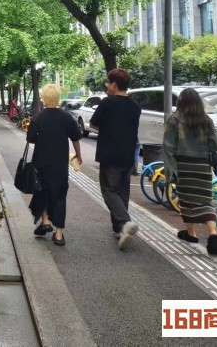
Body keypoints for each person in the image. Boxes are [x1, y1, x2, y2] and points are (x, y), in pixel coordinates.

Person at [162, 88, 217, 255]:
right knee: (205, 202)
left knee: (186, 201)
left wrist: (171, 171)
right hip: (202, 166)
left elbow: (168, 147)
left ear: (181, 102)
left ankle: (191, 233)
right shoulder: (206, 119)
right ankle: (213, 234)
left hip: (183, 166)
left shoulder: (174, 119)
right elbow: (216, 145)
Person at [90, 68, 141, 250]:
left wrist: (107, 127)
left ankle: (125, 222)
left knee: (109, 190)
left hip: (110, 153)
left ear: (114, 84)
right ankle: (119, 229)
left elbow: (93, 123)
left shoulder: (107, 103)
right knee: (122, 191)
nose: (106, 85)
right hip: (128, 154)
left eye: (108, 82)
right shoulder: (135, 106)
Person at [26, 84, 83, 246]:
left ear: (44, 97)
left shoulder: (38, 117)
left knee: (42, 191)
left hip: (41, 162)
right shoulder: (67, 117)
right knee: (59, 195)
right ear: (58, 97)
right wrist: (78, 154)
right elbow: (75, 138)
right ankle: (59, 235)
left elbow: (30, 139)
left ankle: (45, 221)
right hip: (60, 164)